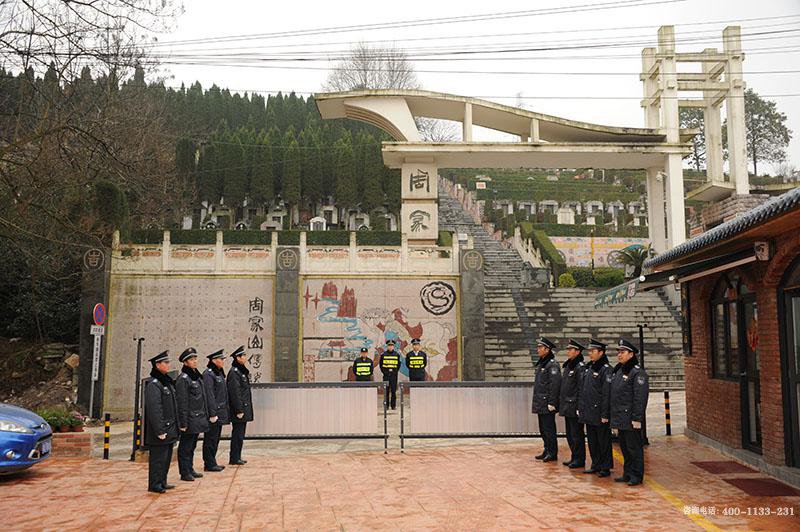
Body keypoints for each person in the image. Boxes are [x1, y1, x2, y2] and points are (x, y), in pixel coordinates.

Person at [610, 338, 650, 486]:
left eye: (623, 352)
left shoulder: (637, 373)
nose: (619, 355)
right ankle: (627, 473)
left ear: (631, 354)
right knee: (625, 448)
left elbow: (640, 398)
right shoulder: (620, 370)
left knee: (634, 449)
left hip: (630, 418)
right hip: (620, 417)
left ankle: (636, 475)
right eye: (618, 352)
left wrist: (637, 418)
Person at [577, 339, 614, 478]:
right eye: (590, 351)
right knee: (592, 440)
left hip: (599, 413)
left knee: (603, 441)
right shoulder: (590, 367)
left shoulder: (606, 370)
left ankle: (605, 467)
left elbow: (606, 394)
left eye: (593, 351)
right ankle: (596, 464)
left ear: (601, 352)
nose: (590, 354)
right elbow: (584, 390)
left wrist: (605, 414)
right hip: (589, 411)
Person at [144, 350, 178, 493]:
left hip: (170, 427)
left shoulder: (166, 382)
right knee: (158, 458)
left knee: (166, 458)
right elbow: (154, 409)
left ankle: (162, 481)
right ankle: (154, 484)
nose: (168, 365)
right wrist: (159, 430)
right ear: (157, 365)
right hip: (160, 429)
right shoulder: (154, 384)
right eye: (165, 362)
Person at [175, 347, 209, 482]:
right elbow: (182, 403)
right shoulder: (183, 379)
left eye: (195, 359)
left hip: (197, 418)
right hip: (188, 419)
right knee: (185, 446)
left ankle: (190, 469)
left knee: (192, 446)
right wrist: (183, 423)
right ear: (185, 362)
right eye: (191, 359)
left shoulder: (196, 376)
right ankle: (184, 472)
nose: (194, 361)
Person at [531, 337, 561, 462]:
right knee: (543, 429)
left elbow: (555, 384)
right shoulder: (542, 363)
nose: (538, 350)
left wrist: (552, 402)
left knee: (549, 429)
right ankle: (547, 449)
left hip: (547, 403)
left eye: (540, 347)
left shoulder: (552, 364)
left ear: (547, 349)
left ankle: (552, 452)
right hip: (540, 402)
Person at [559, 339, 587, 469]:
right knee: (570, 434)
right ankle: (574, 456)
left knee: (577, 435)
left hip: (574, 406)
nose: (568, 352)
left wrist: (579, 407)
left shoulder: (580, 367)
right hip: (567, 405)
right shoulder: (569, 365)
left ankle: (579, 459)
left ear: (578, 351)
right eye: (568, 349)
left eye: (571, 349)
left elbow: (581, 389)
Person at [202, 348, 228, 472]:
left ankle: (212, 461)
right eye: (221, 359)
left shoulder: (218, 373)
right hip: (214, 413)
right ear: (214, 360)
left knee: (215, 438)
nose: (223, 361)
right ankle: (209, 463)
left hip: (220, 411)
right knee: (210, 439)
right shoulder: (208, 374)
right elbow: (209, 395)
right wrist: (212, 413)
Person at [227, 345, 253, 465]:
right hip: (239, 410)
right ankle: (234, 458)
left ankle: (237, 456)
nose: (245, 358)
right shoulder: (234, 372)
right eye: (243, 356)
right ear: (237, 358)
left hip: (244, 408)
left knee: (240, 435)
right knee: (237, 434)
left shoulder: (241, 371)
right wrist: (238, 409)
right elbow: (235, 393)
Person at [379, 340, 401, 410]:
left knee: (393, 391)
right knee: (386, 391)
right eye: (389, 345)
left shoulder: (397, 355)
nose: (390, 347)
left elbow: (398, 365)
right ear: (387, 346)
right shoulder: (383, 355)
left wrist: (394, 372)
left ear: (393, 346)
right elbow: (381, 365)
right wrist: (385, 372)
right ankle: (386, 406)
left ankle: (393, 406)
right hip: (386, 375)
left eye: (392, 345)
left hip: (394, 376)